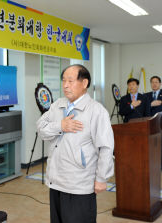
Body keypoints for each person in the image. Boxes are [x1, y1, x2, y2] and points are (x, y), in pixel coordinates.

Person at [37, 64, 114, 223]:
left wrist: (101, 178)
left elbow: (105, 147)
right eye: (64, 80)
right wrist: (60, 126)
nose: (65, 85)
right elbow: (41, 129)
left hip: (79, 184)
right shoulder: (57, 105)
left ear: (84, 83)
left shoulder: (96, 111)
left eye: (70, 81)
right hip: (56, 181)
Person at [145, 76, 162, 166]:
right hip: (150, 123)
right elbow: (144, 111)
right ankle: (152, 162)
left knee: (161, 144)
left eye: (156, 82)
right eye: (152, 82)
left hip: (161, 123)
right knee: (151, 144)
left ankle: (160, 163)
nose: (154, 84)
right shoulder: (146, 96)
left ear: (160, 84)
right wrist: (151, 104)